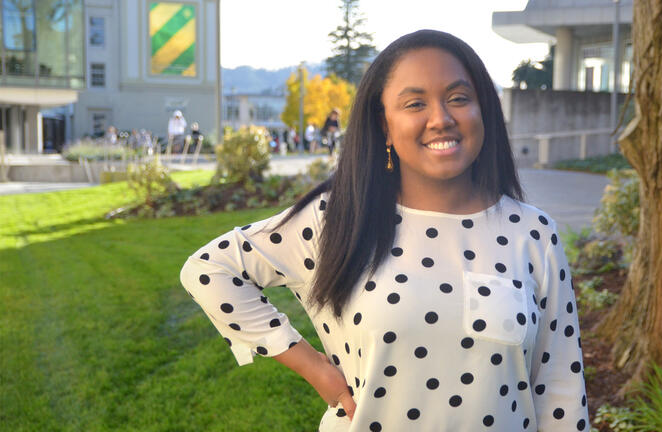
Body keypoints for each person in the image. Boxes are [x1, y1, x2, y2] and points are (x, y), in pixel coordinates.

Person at [180, 30, 589, 432]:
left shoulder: (533, 233)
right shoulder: (339, 218)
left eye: (459, 98)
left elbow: (561, 392)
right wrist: (315, 368)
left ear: (484, 109)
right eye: (415, 103)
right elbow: (210, 269)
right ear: (385, 125)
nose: (441, 119)